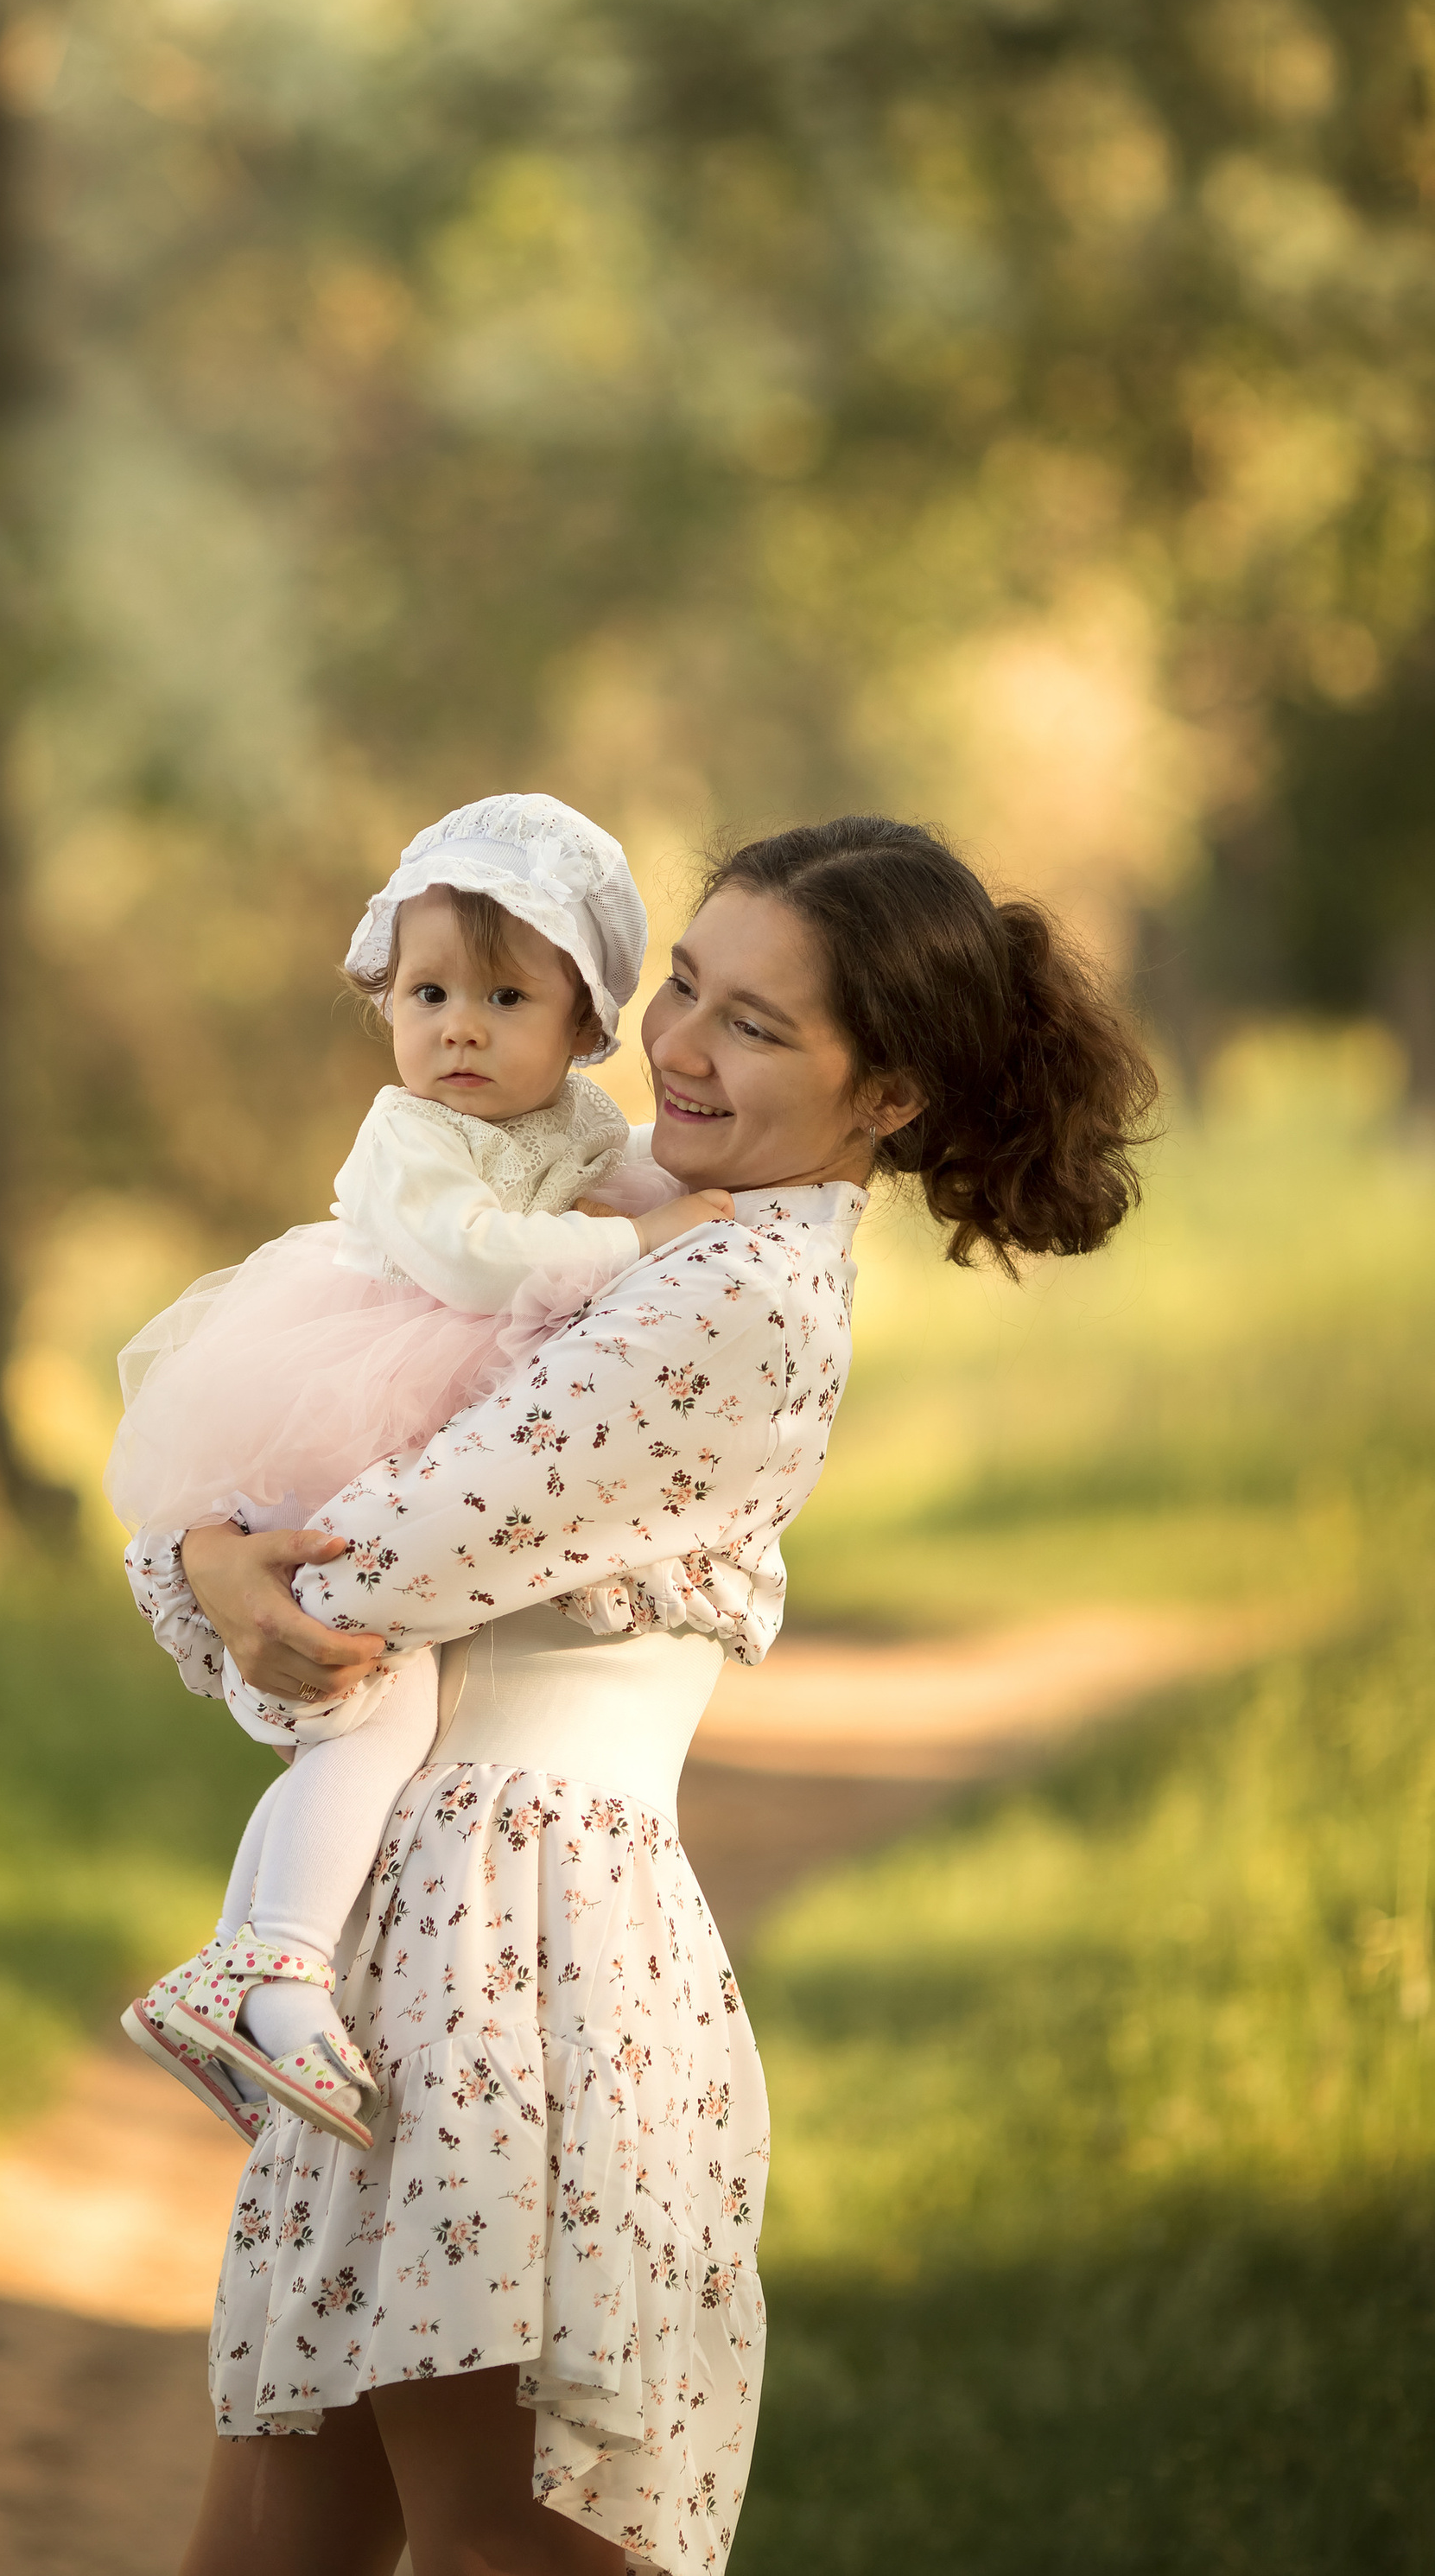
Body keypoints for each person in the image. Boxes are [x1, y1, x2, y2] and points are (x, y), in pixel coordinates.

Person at [127, 815, 1157, 2576]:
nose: (677, 1046)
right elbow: (301, 1579)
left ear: (886, 1095)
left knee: (494, 2532)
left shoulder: (730, 1301)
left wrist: (212, 1562)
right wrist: (211, 1566)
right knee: (313, 2529)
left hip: (523, 1949)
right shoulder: (634, 1228)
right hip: (450, 1932)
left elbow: (360, 1574)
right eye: (682, 983)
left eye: (756, 1027)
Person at [110, 794, 730, 2146]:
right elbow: (470, 1258)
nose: (456, 1025)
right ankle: (273, 1965)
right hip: (345, 1398)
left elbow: (631, 1184)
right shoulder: (412, 1136)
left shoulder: (577, 1126)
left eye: (505, 997)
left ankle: (227, 1969)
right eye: (427, 989)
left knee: (383, 1704)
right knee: (377, 1706)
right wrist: (642, 1247)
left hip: (424, 1412)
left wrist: (672, 1216)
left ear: (582, 1025)